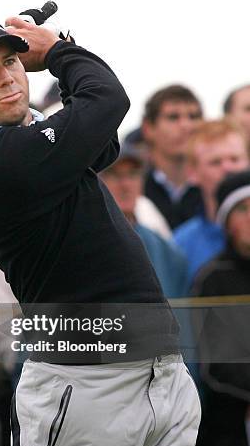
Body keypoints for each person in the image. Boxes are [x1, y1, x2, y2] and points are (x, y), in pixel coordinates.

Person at [0, 15, 201, 446]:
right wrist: (54, 51)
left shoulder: (31, 142)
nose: (8, 76)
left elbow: (102, 138)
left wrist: (61, 50)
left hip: (160, 377)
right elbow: (105, 100)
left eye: (11, 60)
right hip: (82, 387)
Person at [191, 170, 250, 446]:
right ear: (226, 222)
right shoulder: (214, 279)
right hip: (230, 444)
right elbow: (219, 367)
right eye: (242, 209)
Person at [100, 144, 189, 299]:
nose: (126, 185)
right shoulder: (84, 241)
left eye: (133, 174)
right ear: (98, 180)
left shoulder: (166, 250)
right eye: (115, 175)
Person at [173, 119, 249, 285]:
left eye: (235, 159)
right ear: (192, 172)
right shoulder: (180, 245)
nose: (228, 168)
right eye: (216, 162)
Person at [141, 84, 204, 229]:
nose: (186, 125)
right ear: (148, 128)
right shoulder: (133, 188)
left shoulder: (215, 186)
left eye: (193, 117)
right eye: (173, 117)